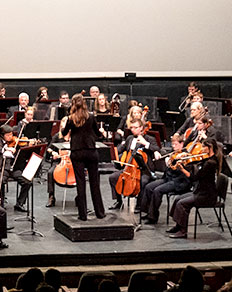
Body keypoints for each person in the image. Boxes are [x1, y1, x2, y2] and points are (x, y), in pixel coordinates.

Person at [61, 93, 105, 221]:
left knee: (80, 183)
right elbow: (98, 134)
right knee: (94, 183)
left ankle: (83, 215)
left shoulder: (71, 118)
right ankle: (100, 213)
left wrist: (65, 126)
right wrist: (101, 133)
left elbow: (64, 133)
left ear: (73, 104)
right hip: (91, 152)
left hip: (77, 152)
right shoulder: (91, 117)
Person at [167, 138, 221, 239]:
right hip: (200, 191)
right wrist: (187, 157)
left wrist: (182, 169)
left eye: (204, 146)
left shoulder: (211, 163)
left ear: (210, 147)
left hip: (206, 195)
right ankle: (178, 225)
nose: (202, 148)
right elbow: (196, 163)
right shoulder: (207, 159)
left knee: (182, 204)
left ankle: (183, 231)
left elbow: (194, 178)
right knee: (178, 199)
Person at [109, 118, 161, 213]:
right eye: (131, 127)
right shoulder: (129, 138)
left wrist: (145, 144)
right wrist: (114, 150)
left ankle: (140, 205)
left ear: (141, 128)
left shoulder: (149, 139)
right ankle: (119, 201)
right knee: (113, 177)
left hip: (144, 170)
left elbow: (157, 148)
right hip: (130, 168)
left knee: (143, 181)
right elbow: (120, 149)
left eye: (135, 127)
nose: (133, 129)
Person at [141, 134, 192, 224]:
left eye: (176, 144)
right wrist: (166, 162)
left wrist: (176, 163)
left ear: (182, 144)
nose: (173, 146)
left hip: (179, 181)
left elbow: (184, 172)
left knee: (157, 191)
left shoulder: (186, 155)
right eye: (172, 144)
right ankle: (148, 212)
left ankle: (153, 217)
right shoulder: (173, 153)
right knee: (149, 187)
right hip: (168, 178)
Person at [0, 124, 32, 212]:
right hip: (2, 168)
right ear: (2, 135)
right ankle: (0, 204)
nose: (11, 137)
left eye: (11, 134)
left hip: (13, 168)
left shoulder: (16, 143)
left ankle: (19, 203)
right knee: (0, 181)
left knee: (27, 182)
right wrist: (5, 149)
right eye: (8, 135)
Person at [45, 116, 70, 207]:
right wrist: (54, 153)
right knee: (50, 172)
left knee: (80, 173)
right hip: (59, 161)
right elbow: (49, 149)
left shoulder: (74, 136)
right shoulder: (57, 136)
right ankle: (51, 196)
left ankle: (80, 196)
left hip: (72, 161)